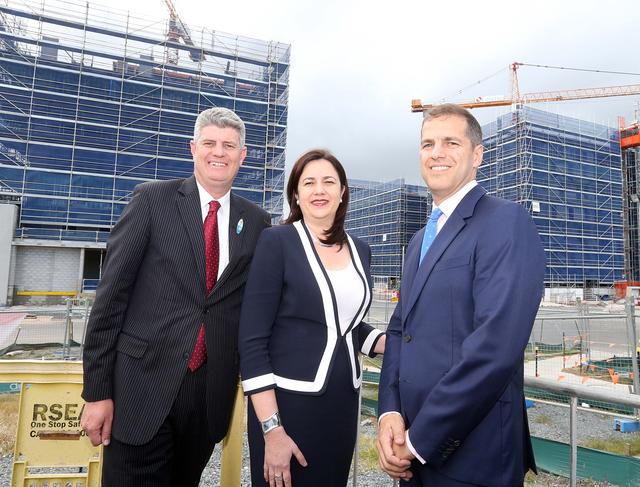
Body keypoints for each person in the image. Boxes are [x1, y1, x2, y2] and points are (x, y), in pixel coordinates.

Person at [80, 107, 271, 486]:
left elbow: (256, 306)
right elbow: (110, 299)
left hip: (206, 397)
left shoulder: (258, 222)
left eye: (229, 145)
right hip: (139, 389)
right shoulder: (152, 201)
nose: (219, 152)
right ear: (193, 148)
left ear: (242, 155)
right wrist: (97, 392)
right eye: (210, 143)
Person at [377, 104, 545, 487]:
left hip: (472, 456)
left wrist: (422, 439)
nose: (437, 153)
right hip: (410, 451)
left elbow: (495, 348)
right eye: (427, 144)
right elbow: (401, 328)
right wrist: (389, 411)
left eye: (451, 142)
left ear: (477, 155)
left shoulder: (505, 222)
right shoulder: (420, 239)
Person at [239, 149, 386, 486]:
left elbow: (342, 323)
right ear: (296, 194)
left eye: (328, 182)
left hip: (342, 404)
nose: (319, 190)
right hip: (288, 408)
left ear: (343, 191)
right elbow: (252, 340)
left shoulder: (360, 249)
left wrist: (383, 342)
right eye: (309, 183)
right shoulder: (277, 242)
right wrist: (272, 430)